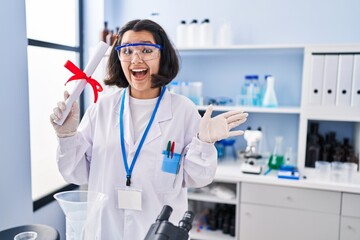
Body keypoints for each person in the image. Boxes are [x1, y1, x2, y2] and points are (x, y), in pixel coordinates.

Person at [50, 19, 248, 239]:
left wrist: (204, 141)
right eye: (127, 51)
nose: (136, 59)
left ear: (162, 56)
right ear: (118, 57)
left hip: (161, 230)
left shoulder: (183, 110)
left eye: (146, 49)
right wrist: (67, 135)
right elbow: (76, 173)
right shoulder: (102, 108)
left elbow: (197, 178)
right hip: (106, 229)